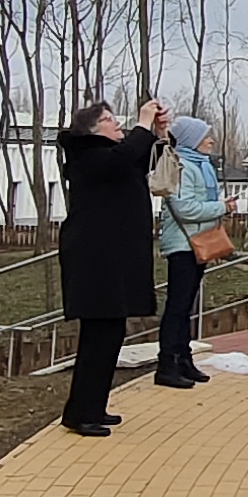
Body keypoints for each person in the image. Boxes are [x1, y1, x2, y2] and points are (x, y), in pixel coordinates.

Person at [55, 99, 167, 435]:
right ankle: (81, 413)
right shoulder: (88, 156)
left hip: (113, 258)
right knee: (98, 336)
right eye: (108, 119)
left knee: (110, 334)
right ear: (92, 130)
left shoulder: (114, 156)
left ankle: (92, 407)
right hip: (94, 260)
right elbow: (121, 160)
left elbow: (143, 160)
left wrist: (159, 134)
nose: (117, 123)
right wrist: (142, 123)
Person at [150, 112, 228, 389]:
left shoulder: (201, 165)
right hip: (183, 245)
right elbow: (185, 209)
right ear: (192, 140)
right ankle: (166, 364)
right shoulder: (181, 166)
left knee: (186, 307)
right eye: (206, 136)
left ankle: (183, 359)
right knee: (178, 306)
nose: (211, 141)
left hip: (198, 242)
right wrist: (222, 207)